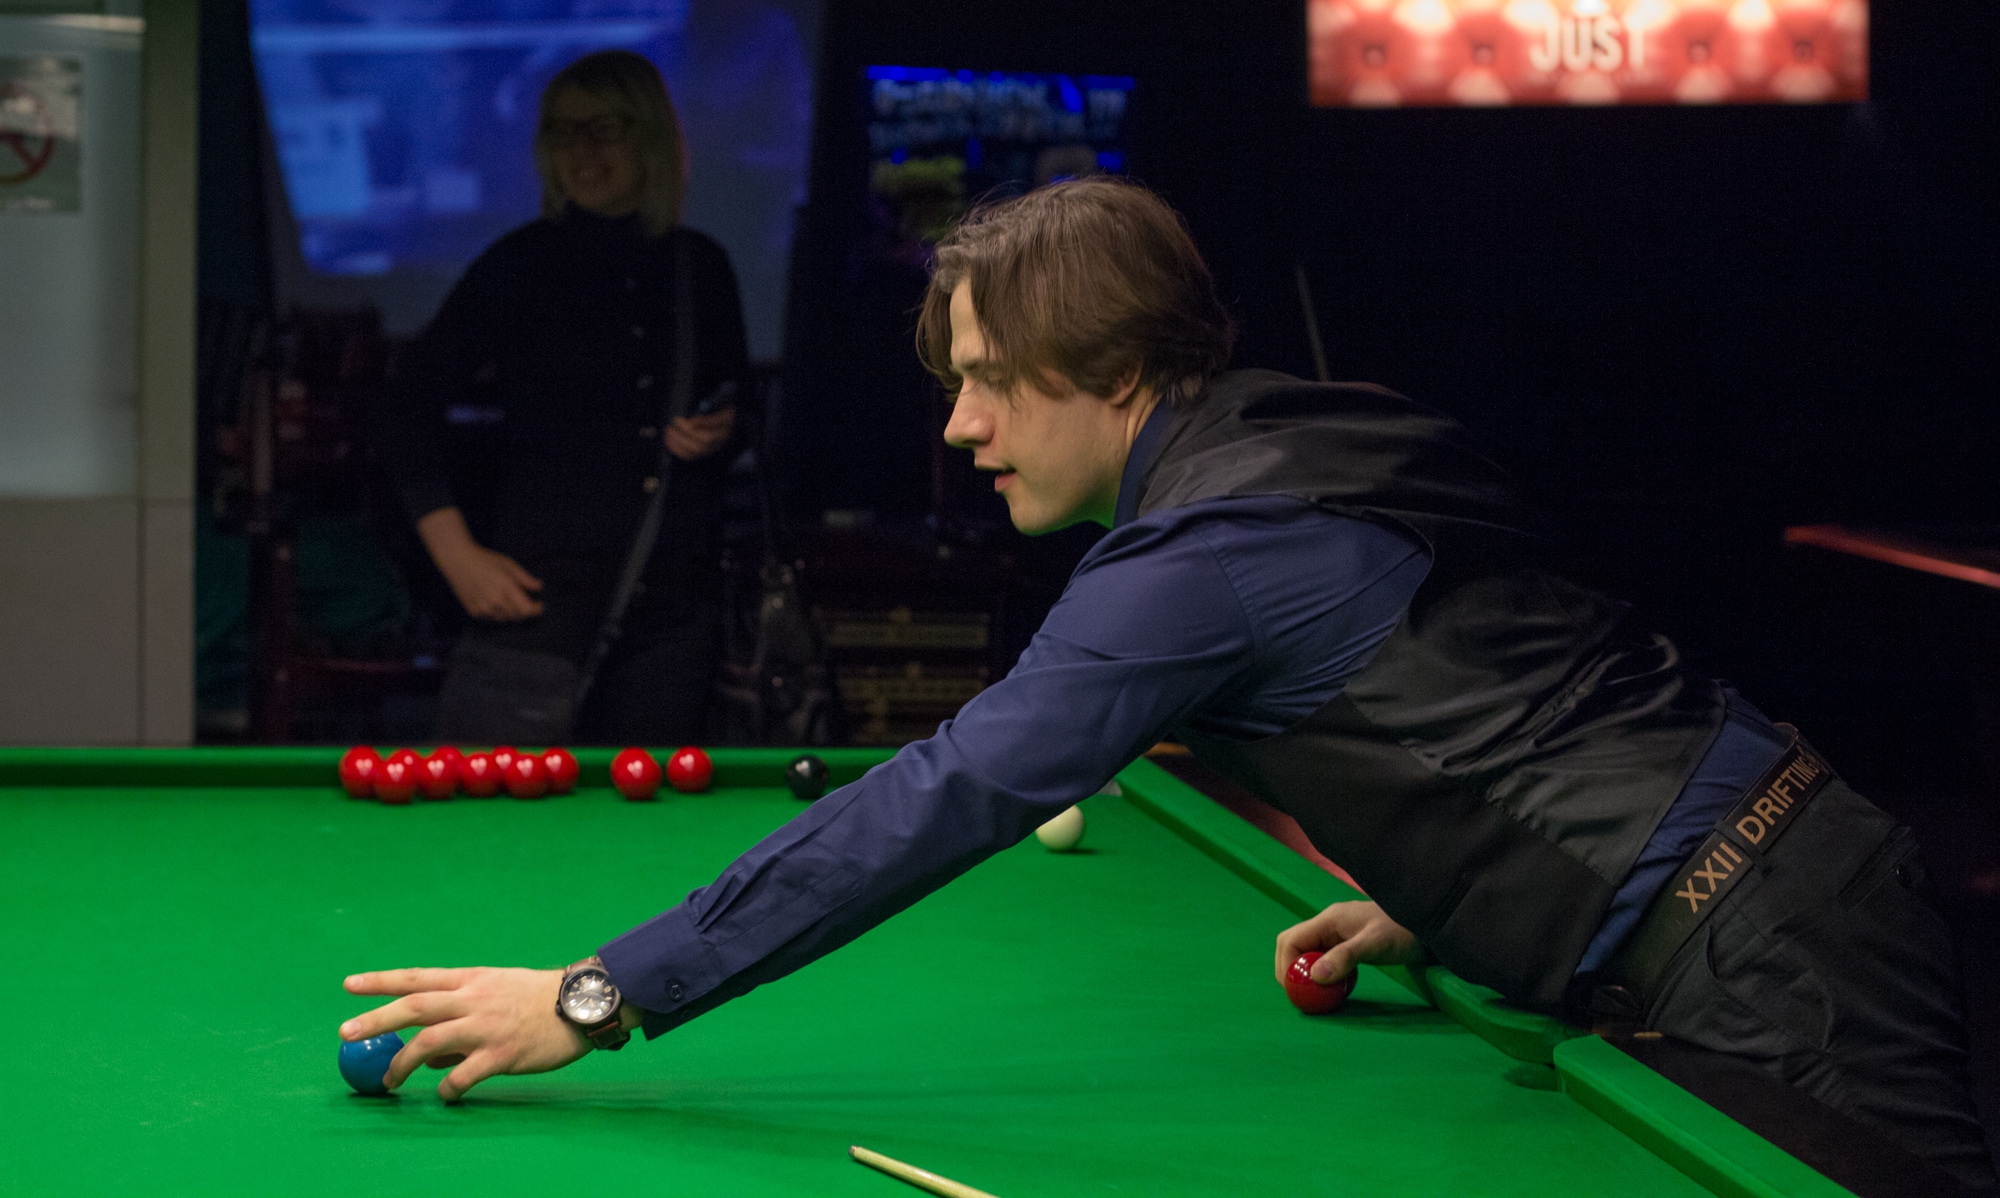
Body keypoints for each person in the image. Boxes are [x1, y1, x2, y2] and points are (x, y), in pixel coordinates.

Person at [342, 179, 1994, 1190]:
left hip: (1769, 951)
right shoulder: (1300, 431)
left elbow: (948, 794)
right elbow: (1516, 663)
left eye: (990, 381)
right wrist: (1451, 881)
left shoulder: (1207, 548)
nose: (960, 426)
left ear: (1114, 369)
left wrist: (599, 992)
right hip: (1774, 882)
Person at [379, 50, 750, 745]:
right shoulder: (519, 264)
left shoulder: (701, 266)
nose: (582, 151)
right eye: (562, 132)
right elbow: (404, 408)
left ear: (649, 137)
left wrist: (723, 427)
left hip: (672, 629)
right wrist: (457, 556)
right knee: (496, 818)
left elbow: (743, 410)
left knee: (647, 816)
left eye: (603, 129)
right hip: (537, 615)